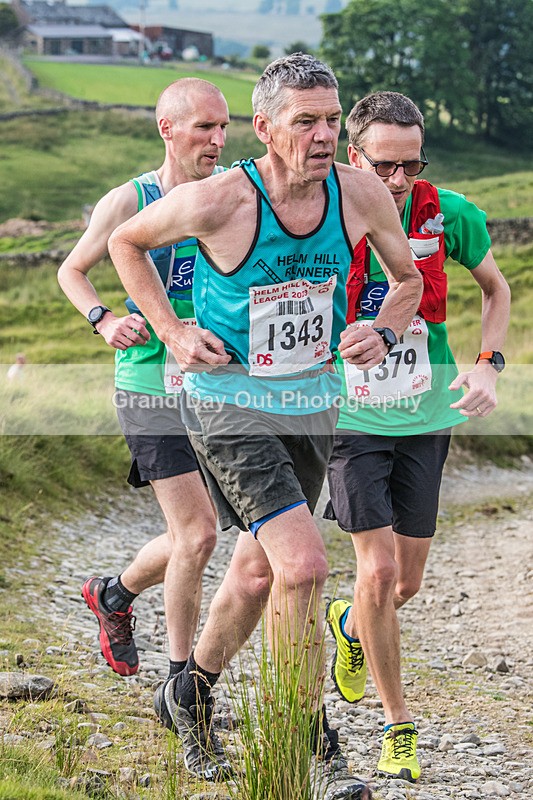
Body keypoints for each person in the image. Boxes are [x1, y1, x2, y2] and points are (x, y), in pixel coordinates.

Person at [108, 54, 422, 799]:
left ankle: (187, 694)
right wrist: (173, 333)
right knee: (306, 567)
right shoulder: (221, 199)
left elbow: (405, 280)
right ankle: (310, 747)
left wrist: (379, 329)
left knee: (255, 572)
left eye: (328, 120)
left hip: (309, 401)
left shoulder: (359, 192)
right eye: (303, 121)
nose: (320, 135)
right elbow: (126, 244)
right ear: (265, 129)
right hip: (225, 404)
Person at [324, 91, 511, 783]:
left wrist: (488, 365)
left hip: (425, 415)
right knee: (372, 571)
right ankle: (396, 727)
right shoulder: (325, 215)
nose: (397, 181)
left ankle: (347, 625)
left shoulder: (449, 214)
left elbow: (495, 291)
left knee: (402, 583)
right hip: (350, 417)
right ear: (355, 156)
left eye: (410, 165)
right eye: (384, 166)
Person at [57, 77, 230, 723]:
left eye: (223, 128)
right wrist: (102, 318)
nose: (216, 140)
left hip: (216, 383)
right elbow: (71, 269)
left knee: (206, 532)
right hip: (148, 383)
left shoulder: (230, 191)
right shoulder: (131, 198)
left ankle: (112, 591)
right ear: (167, 129)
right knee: (198, 533)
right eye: (203, 128)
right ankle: (181, 686)